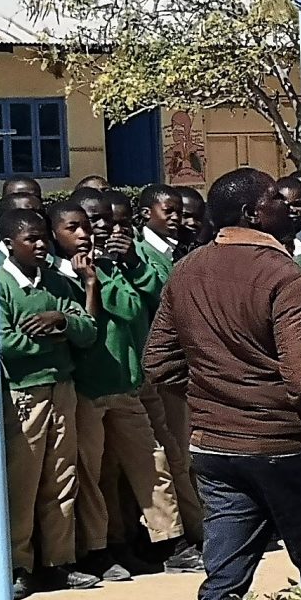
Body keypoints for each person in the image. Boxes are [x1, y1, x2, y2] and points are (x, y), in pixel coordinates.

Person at [145, 170, 301, 600]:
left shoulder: (187, 269)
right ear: (251, 214)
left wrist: (213, 397)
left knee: (224, 575)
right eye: (274, 198)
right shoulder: (283, 275)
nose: (286, 204)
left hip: (214, 446)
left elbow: (158, 363)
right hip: (282, 445)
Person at [68, 196, 175, 582]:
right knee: (96, 475)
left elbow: (138, 304)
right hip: (88, 389)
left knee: (152, 461)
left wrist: (117, 268)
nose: (96, 230)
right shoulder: (63, 273)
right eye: (88, 222)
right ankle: (102, 548)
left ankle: (171, 541)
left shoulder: (113, 264)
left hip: (125, 383)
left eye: (103, 222)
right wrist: (91, 282)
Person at [0, 205, 98, 594]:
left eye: (43, 238)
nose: (41, 245)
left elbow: (86, 331)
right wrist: (57, 343)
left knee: (61, 476)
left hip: (62, 389)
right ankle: (18, 565)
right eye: (31, 239)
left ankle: (59, 560)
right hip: (24, 393)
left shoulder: (56, 281)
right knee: (23, 482)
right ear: (9, 244)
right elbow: (4, 343)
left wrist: (62, 321)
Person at [133, 186, 204, 567]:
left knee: (185, 452)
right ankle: (188, 532)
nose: (177, 218)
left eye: (180, 211)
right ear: (146, 214)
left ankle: (199, 526)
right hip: (160, 371)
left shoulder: (180, 250)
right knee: (171, 454)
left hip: (186, 367)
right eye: (169, 211)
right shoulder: (142, 254)